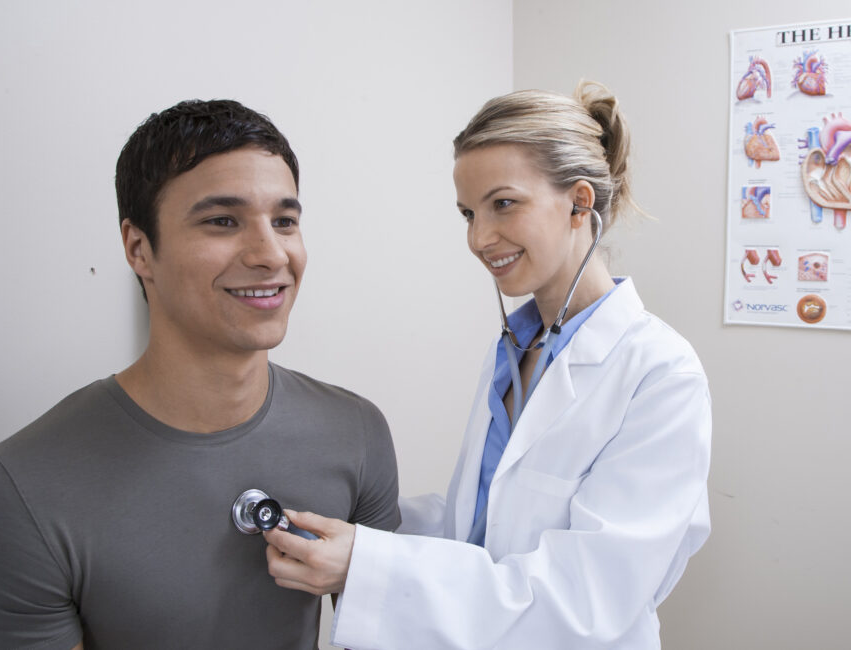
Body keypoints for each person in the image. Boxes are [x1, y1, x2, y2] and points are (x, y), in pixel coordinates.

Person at [263, 81, 712, 648]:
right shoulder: (513, 352)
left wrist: (368, 564)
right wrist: (352, 518)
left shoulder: (660, 375)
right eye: (468, 213)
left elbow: (587, 603)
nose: (479, 237)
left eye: (503, 204)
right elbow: (477, 528)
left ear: (579, 202)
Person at [0, 99, 401, 649]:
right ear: (139, 248)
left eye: (284, 221)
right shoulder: (12, 495)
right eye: (222, 221)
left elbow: (389, 631)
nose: (270, 253)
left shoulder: (355, 433)